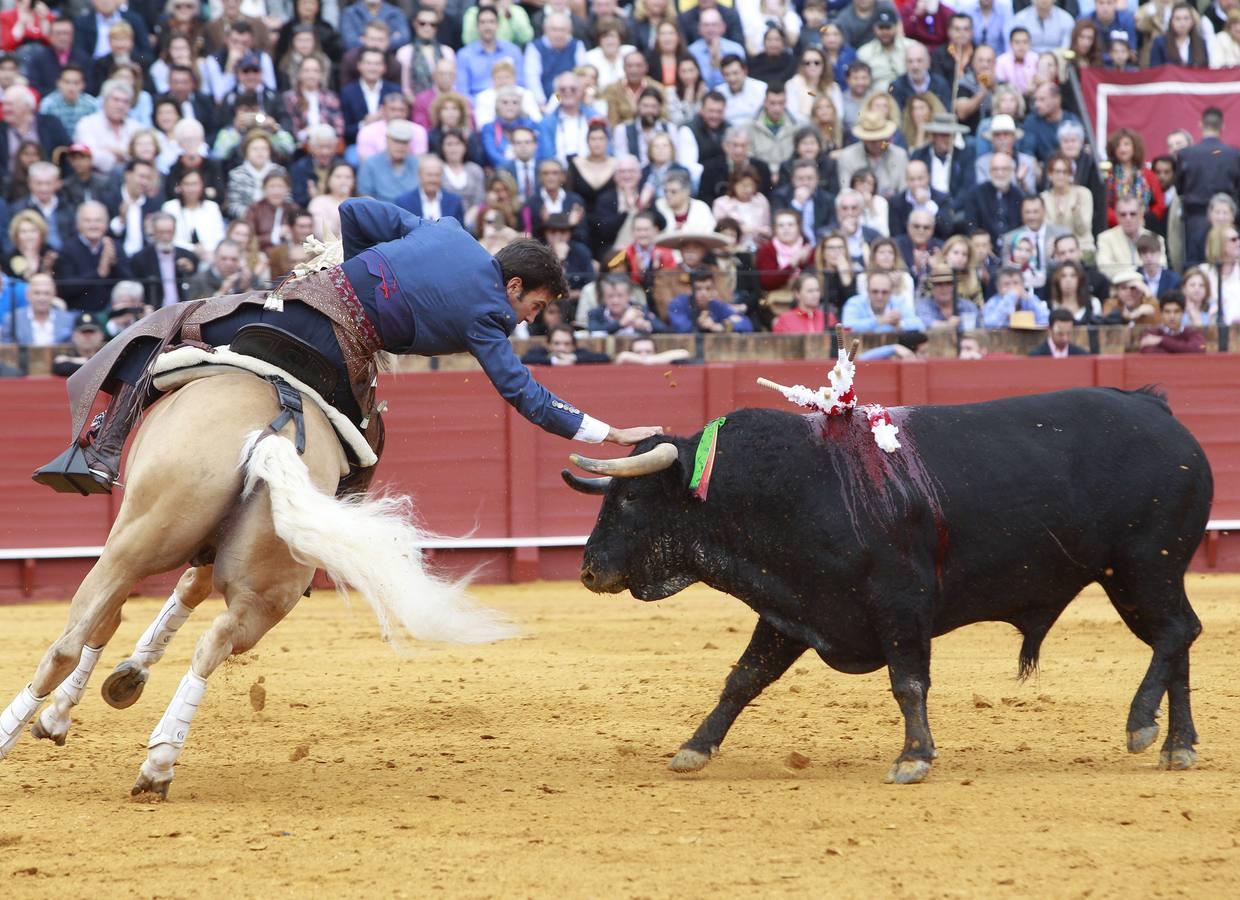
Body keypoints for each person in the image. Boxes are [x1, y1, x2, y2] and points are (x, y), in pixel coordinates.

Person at [34, 198, 662, 494]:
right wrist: (603, 433)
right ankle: (306, 551)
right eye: (535, 306)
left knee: (183, 326)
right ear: (518, 285)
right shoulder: (488, 317)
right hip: (338, 347)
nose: (528, 320)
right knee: (363, 449)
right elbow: (523, 394)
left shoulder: (445, 229)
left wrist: (357, 279)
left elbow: (355, 210)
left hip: (301, 300)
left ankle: (99, 452)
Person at [1175, 107, 1240, 267]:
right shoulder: (1233, 155)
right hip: (1226, 218)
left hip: (1195, 220)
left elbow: (1179, 188)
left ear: (1201, 125)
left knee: (1194, 267)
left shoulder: (1186, 154)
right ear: (1222, 126)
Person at [666, 267, 753, 333]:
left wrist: (723, 326)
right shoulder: (678, 304)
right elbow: (680, 328)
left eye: (708, 289)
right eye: (698, 289)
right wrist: (699, 324)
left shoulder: (716, 305)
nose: (704, 293)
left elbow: (747, 324)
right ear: (689, 289)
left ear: (713, 289)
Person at [357, 119, 421, 204]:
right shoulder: (371, 164)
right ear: (387, 139)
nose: (400, 146)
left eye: (404, 142)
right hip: (381, 212)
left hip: (412, 213)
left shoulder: (417, 164)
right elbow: (364, 196)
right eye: (396, 141)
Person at [841, 270, 924, 332]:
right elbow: (847, 326)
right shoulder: (854, 302)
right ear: (867, 291)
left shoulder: (899, 302)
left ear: (891, 292)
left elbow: (919, 325)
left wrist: (900, 324)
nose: (879, 296)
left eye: (884, 292)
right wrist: (878, 321)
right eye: (875, 291)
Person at [0, 272, 72, 345]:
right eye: (37, 293)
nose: (42, 298)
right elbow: (6, 351)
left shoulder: (68, 320)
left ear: (54, 294)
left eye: (46, 293)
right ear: (28, 295)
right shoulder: (12, 319)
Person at [587, 272, 664, 335]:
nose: (615, 301)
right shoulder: (596, 313)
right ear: (604, 296)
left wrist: (647, 326)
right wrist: (621, 323)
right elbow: (592, 329)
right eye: (610, 296)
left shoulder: (639, 309)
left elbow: (664, 329)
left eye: (620, 295)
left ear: (629, 295)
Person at [916, 265, 980, 332]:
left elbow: (978, 333)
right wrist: (948, 325)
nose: (944, 288)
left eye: (949, 283)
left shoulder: (969, 307)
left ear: (956, 287)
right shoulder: (924, 306)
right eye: (939, 284)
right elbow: (925, 324)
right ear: (932, 288)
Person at [982, 265, 1051, 328]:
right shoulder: (993, 302)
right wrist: (1009, 299)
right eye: (1007, 284)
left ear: (1022, 285)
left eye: (1016, 283)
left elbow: (1045, 319)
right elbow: (990, 324)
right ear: (999, 288)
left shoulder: (1030, 299)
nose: (1012, 288)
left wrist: (1030, 300)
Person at [1140, 291, 1206, 353]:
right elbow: (1148, 351)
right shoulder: (1152, 333)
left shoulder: (1193, 333)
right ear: (1161, 313)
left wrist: (1161, 340)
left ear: (1183, 313)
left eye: (1176, 311)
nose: (1172, 316)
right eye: (1167, 312)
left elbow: (1200, 348)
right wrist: (1184, 350)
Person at [520, 323, 611, 365]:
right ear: (548, 345)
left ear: (573, 346)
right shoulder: (540, 353)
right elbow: (524, 359)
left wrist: (574, 358)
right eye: (556, 343)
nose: (561, 348)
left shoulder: (580, 354)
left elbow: (605, 358)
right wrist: (554, 361)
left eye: (567, 344)